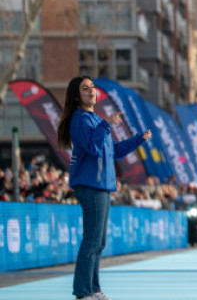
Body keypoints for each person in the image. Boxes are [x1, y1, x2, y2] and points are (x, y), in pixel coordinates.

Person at [57, 76, 151, 300]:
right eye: (85, 88)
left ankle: (94, 288)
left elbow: (113, 151)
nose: (91, 92)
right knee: (91, 240)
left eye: (92, 88)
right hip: (91, 185)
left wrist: (138, 140)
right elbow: (93, 146)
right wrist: (106, 124)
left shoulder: (93, 119)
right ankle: (82, 291)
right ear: (76, 95)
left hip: (102, 186)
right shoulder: (80, 120)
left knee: (99, 242)